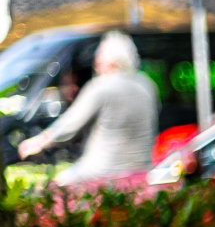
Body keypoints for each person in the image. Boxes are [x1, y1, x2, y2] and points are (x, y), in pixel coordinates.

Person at [20, 32, 157, 181]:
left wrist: (39, 141)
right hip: (141, 169)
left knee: (58, 185)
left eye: (99, 56)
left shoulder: (102, 86)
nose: (95, 63)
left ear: (110, 60)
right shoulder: (147, 85)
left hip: (102, 170)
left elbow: (70, 125)